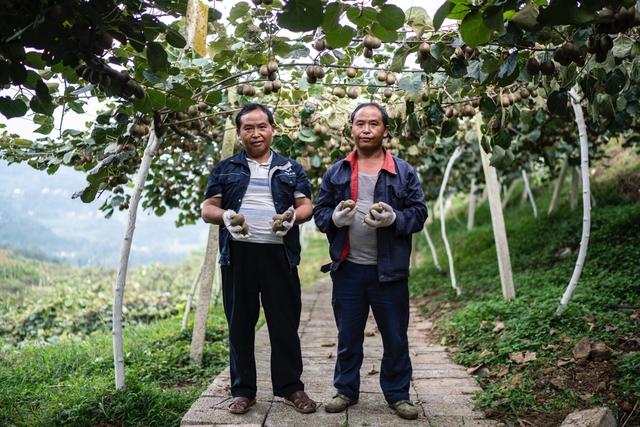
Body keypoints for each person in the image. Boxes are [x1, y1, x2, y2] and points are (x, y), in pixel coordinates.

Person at [313, 102, 427, 420]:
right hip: (348, 269)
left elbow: (419, 214)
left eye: (373, 123)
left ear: (385, 130)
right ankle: (345, 390)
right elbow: (320, 214)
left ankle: (398, 394)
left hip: (388, 271)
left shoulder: (403, 172)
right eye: (360, 123)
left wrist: (393, 218)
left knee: (395, 336)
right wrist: (334, 217)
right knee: (348, 336)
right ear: (350, 128)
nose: (366, 129)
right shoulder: (337, 172)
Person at [201, 103, 317, 415]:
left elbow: (306, 206)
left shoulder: (290, 168)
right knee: (239, 323)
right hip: (239, 256)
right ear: (239, 134)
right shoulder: (225, 169)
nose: (256, 133)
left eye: (262, 126)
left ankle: (291, 388)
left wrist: (293, 217)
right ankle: (243, 391)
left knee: (284, 323)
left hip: (279, 255)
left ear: (272, 130)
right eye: (248, 128)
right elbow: (207, 209)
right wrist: (226, 216)